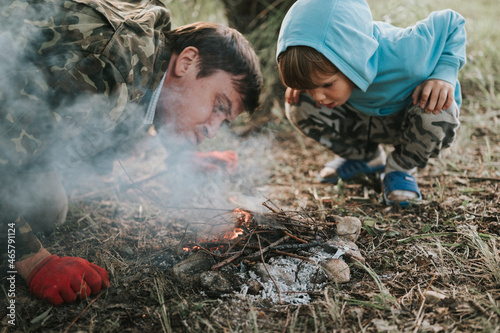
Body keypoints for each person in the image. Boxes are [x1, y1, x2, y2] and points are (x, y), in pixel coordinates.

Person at [0, 0, 262, 305]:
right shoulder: (109, 64)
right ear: (187, 62)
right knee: (42, 207)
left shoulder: (150, 57)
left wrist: (180, 154)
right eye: (218, 106)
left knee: (47, 201)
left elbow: (147, 108)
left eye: (224, 121)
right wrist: (36, 262)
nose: (212, 130)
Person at [276, 0, 466, 207]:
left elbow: (452, 22)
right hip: (365, 119)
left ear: (351, 57)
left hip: (413, 120)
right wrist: (304, 84)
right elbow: (317, 88)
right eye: (312, 88)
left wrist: (445, 73)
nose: (318, 97)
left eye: (326, 85)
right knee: (297, 102)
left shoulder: (404, 50)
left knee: (439, 105)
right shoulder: (324, 83)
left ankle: (401, 168)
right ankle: (366, 158)